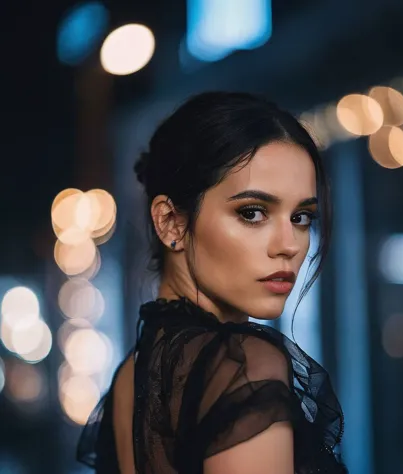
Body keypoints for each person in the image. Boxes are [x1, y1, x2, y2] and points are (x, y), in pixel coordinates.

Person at [77, 91, 347, 473]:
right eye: (253, 212)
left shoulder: (133, 375)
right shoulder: (242, 366)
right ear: (171, 222)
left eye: (301, 217)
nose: (288, 245)